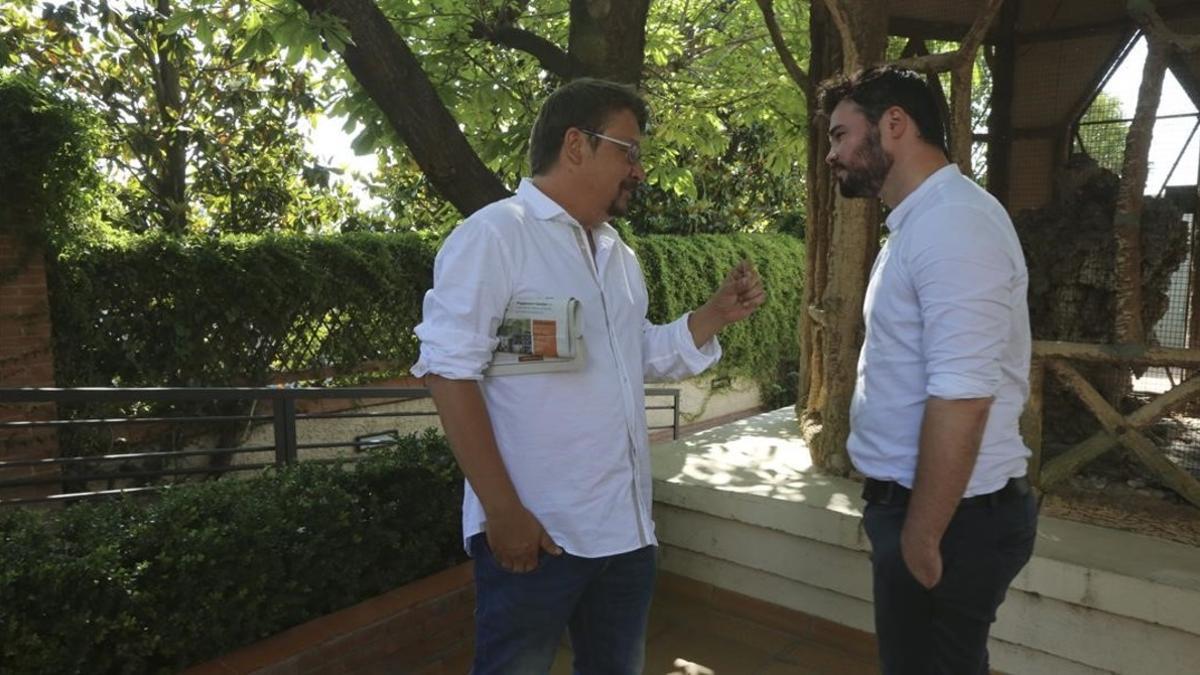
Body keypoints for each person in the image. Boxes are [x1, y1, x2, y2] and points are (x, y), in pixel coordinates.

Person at [411, 77, 764, 674]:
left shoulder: (617, 255)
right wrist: (503, 512)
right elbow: (449, 374)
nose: (640, 171)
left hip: (624, 533)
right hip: (539, 534)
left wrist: (711, 318)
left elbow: (633, 353)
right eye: (629, 151)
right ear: (576, 143)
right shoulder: (496, 236)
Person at [819, 66, 1038, 674]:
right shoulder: (919, 222)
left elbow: (964, 397)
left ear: (894, 124)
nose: (832, 155)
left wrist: (919, 535)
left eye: (840, 135)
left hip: (952, 520)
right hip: (931, 510)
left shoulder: (952, 225)